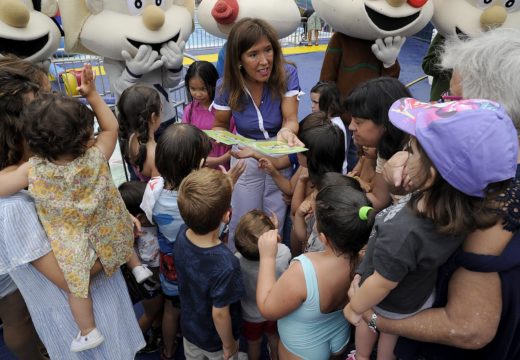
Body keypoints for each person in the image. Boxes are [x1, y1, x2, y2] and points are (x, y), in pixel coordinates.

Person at [372, 28, 520, 360]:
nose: (440, 107)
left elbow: (468, 327)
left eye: (452, 102)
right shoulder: (484, 162)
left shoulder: (495, 204)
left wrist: (373, 317)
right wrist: (403, 162)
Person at [345, 98, 518, 360]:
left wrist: (355, 308)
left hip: (388, 305)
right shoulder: (460, 212)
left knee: (368, 327)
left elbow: (381, 283)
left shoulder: (404, 231)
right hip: (417, 299)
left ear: (433, 174)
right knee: (390, 347)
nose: (404, 154)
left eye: (411, 151)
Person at [0, 56, 145, 359]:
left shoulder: (39, 171)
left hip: (98, 311)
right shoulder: (13, 208)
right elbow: (71, 278)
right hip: (80, 325)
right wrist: (116, 237)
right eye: (41, 103)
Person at [256, 175, 374, 359]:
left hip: (303, 349)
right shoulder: (367, 261)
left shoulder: (304, 270)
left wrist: (267, 257)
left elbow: (266, 309)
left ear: (323, 238)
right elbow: (372, 319)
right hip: (339, 336)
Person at [212, 17, 302, 251]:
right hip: (244, 157)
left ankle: (275, 266)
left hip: (278, 154)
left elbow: (290, 119)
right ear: (238, 59)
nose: (264, 61)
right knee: (244, 219)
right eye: (253, 54)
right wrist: (231, 142)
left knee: (276, 218)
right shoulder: (225, 86)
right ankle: (240, 271)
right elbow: (219, 125)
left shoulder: (287, 73)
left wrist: (286, 132)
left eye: (268, 50)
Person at [149, 123, 212, 360]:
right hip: (198, 267)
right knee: (201, 309)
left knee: (171, 309)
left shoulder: (153, 187)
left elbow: (148, 216)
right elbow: (219, 227)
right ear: (197, 164)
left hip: (170, 265)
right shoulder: (202, 196)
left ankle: (167, 350)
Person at [174, 167, 245, 359]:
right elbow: (220, 314)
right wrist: (229, 344)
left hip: (190, 329)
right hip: (215, 341)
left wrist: (225, 189)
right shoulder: (227, 264)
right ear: (227, 215)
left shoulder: (182, 233)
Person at [344, 77, 410, 211]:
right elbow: (379, 198)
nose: (351, 127)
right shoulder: (385, 144)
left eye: (358, 122)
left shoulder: (415, 159)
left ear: (385, 122)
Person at [234, 209, 291, 359]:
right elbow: (278, 254)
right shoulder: (284, 253)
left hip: (250, 315)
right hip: (274, 310)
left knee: (254, 343)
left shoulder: (237, 260)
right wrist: (276, 232)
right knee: (273, 336)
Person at [118, 181, 164, 354]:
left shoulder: (131, 230)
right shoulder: (146, 236)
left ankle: (156, 331)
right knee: (149, 314)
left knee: (156, 310)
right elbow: (156, 265)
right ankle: (132, 343)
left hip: (147, 283)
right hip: (149, 284)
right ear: (141, 216)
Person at [290, 111, 345, 255]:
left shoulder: (323, 197)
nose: (295, 150)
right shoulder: (327, 182)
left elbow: (296, 215)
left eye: (300, 148)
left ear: (312, 157)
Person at [182, 60, 234, 169]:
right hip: (199, 169)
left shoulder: (225, 111)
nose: (198, 94)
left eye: (203, 89)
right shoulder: (189, 110)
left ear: (214, 84)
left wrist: (218, 161)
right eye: (193, 89)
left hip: (224, 168)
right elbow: (185, 141)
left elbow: (237, 146)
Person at [117, 84, 162, 181]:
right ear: (154, 117)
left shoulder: (131, 139)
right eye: (161, 110)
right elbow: (159, 190)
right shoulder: (156, 156)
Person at [310, 80, 356, 173]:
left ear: (329, 104)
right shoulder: (324, 121)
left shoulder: (334, 126)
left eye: (315, 102)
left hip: (333, 175)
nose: (312, 106)